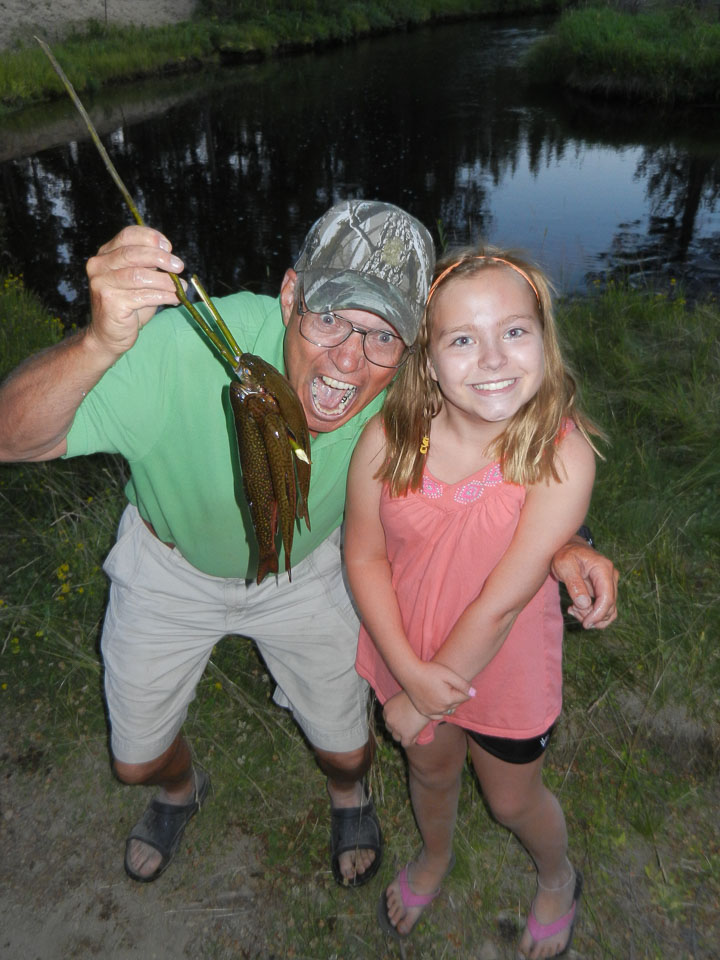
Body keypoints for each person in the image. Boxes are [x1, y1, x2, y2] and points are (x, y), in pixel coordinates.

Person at [0, 202, 617, 890]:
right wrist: (97, 344)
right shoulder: (181, 347)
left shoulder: (409, 394)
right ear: (291, 294)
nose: (350, 361)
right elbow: (11, 437)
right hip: (168, 567)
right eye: (329, 319)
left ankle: (350, 796)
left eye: (382, 335)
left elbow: (512, 450)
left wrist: (568, 545)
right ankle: (179, 790)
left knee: (349, 750)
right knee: (133, 762)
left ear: (415, 349)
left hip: (308, 567)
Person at [345, 247, 606, 957]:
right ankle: (434, 856)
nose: (493, 357)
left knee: (512, 799)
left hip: (503, 672)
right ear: (427, 360)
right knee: (429, 773)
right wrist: (407, 671)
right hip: (409, 653)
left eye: (515, 332)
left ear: (544, 342)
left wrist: (421, 699)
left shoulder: (562, 454)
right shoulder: (387, 439)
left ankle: (557, 877)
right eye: (463, 339)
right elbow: (362, 554)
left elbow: (500, 602)